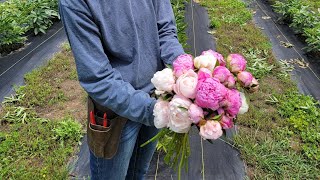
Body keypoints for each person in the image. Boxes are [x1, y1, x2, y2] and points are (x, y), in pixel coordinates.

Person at [59, 0, 186, 179]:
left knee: (138, 173)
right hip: (115, 113)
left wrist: (188, 71)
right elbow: (98, 77)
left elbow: (165, 31)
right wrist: (154, 111)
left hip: (157, 96)